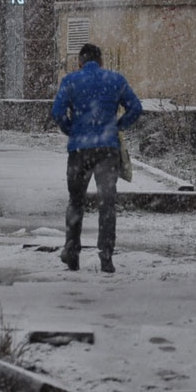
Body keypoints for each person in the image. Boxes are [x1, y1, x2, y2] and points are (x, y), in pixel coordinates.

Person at [50, 43, 142, 274]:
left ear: (80, 62)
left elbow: (57, 113)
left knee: (76, 201)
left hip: (79, 151)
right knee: (107, 203)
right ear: (101, 61)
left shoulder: (70, 81)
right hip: (107, 150)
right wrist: (118, 126)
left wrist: (72, 130)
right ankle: (106, 256)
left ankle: (72, 251)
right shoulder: (115, 80)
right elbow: (135, 108)